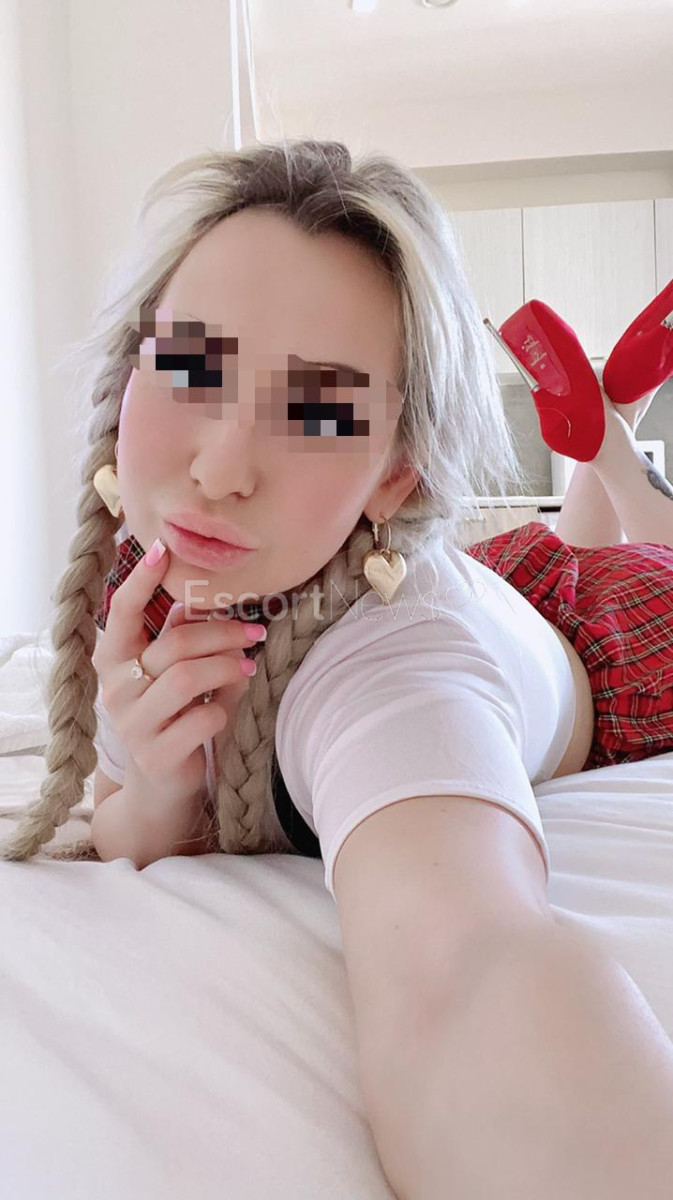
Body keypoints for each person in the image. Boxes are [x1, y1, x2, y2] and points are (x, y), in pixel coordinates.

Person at [4, 137, 673, 1199]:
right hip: (485, 579)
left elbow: (467, 962)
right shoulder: (160, 579)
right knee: (572, 544)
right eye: (190, 368)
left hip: (617, 639)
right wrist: (160, 790)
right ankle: (604, 436)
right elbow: (123, 817)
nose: (220, 468)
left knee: (643, 550)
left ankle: (616, 455)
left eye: (316, 412)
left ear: (395, 475)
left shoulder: (397, 663)